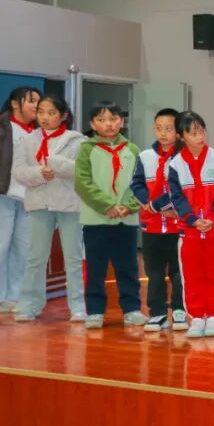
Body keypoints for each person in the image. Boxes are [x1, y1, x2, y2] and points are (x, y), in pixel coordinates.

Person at [11, 95, 86, 321]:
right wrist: (38, 173)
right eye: (41, 112)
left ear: (63, 116)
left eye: (51, 113)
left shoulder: (77, 140)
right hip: (39, 202)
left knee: (73, 257)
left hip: (69, 203)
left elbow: (83, 171)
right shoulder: (28, 140)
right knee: (35, 257)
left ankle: (78, 306)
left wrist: (58, 167)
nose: (45, 117)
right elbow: (18, 171)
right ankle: (29, 305)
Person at [155, 111, 214, 338]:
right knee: (192, 275)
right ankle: (196, 316)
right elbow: (176, 198)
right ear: (181, 136)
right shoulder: (175, 165)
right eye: (193, 133)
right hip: (189, 232)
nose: (200, 137)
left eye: (202, 131)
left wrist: (212, 218)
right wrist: (192, 220)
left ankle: (213, 316)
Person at [75, 101, 146, 329]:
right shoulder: (86, 149)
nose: (108, 124)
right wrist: (107, 206)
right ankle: (95, 311)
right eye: (101, 119)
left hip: (126, 219)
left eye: (114, 119)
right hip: (96, 219)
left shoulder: (132, 149)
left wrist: (128, 206)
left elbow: (140, 183)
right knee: (95, 269)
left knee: (128, 268)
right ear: (92, 124)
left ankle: (132, 309)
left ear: (122, 122)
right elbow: (83, 183)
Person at [130, 108, 185, 332]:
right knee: (154, 272)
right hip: (151, 226)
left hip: (178, 226)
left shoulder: (184, 157)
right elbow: (137, 185)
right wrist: (151, 205)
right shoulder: (145, 156)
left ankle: (180, 309)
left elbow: (180, 190)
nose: (163, 133)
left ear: (178, 132)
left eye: (169, 129)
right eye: (159, 128)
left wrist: (162, 207)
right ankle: (157, 312)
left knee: (178, 271)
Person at [0, 86, 39, 312]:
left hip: (29, 199)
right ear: (15, 104)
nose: (36, 106)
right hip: (4, 196)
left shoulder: (39, 132)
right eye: (31, 101)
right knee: (1, 247)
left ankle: (14, 297)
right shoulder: (3, 127)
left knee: (23, 250)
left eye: (38, 101)